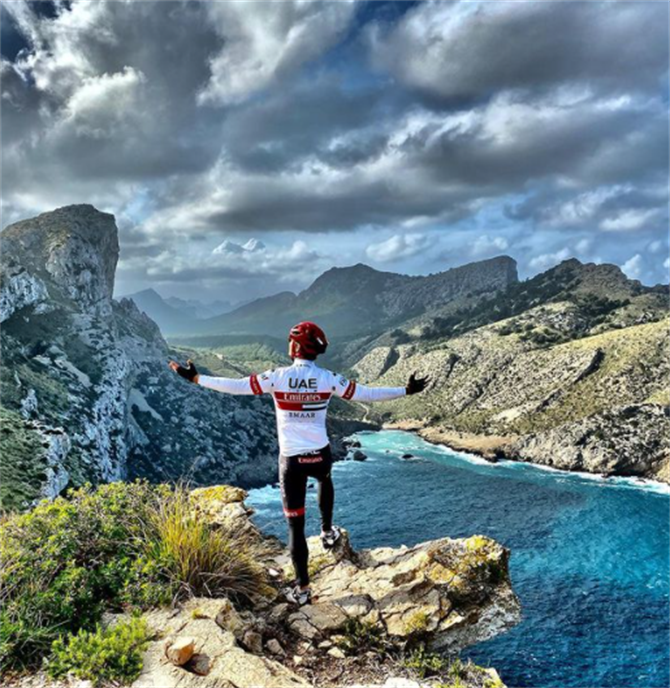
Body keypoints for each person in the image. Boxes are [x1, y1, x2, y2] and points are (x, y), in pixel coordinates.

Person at [169, 321, 429, 606]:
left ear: (294, 347)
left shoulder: (277, 377)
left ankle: (303, 590)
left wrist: (196, 379)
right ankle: (328, 532)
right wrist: (406, 390)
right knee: (324, 480)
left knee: (295, 528)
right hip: (320, 454)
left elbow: (236, 386)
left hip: (291, 460)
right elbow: (367, 393)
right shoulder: (329, 378)